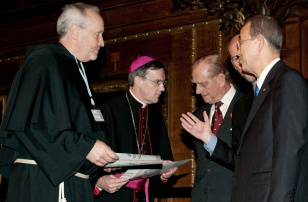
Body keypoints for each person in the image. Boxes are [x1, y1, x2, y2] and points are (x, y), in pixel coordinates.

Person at [0, 3, 119, 202]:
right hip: (47, 183)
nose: (102, 42)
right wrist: (87, 148)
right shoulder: (45, 61)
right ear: (75, 32)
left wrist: (97, 160)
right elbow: (34, 126)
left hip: (72, 181)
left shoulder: (72, 66)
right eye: (97, 34)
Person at [182, 15, 308, 202]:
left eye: (241, 42)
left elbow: (287, 159)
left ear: (259, 43)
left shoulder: (287, 81)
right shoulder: (258, 93)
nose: (238, 55)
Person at [93, 56, 177, 202]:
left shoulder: (155, 118)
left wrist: (163, 174)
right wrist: (99, 180)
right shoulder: (108, 110)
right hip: (113, 196)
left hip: (144, 196)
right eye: (157, 82)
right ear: (138, 81)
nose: (162, 88)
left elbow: (162, 160)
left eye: (163, 83)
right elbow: (88, 155)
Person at [181, 54, 242, 201]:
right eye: (195, 84)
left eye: (203, 84)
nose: (197, 91)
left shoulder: (248, 106)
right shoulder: (198, 116)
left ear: (221, 79)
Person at [207, 34, 257, 170]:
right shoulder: (241, 105)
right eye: (236, 58)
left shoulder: (288, 84)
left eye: (243, 54)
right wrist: (208, 139)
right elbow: (239, 159)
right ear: (234, 66)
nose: (242, 62)